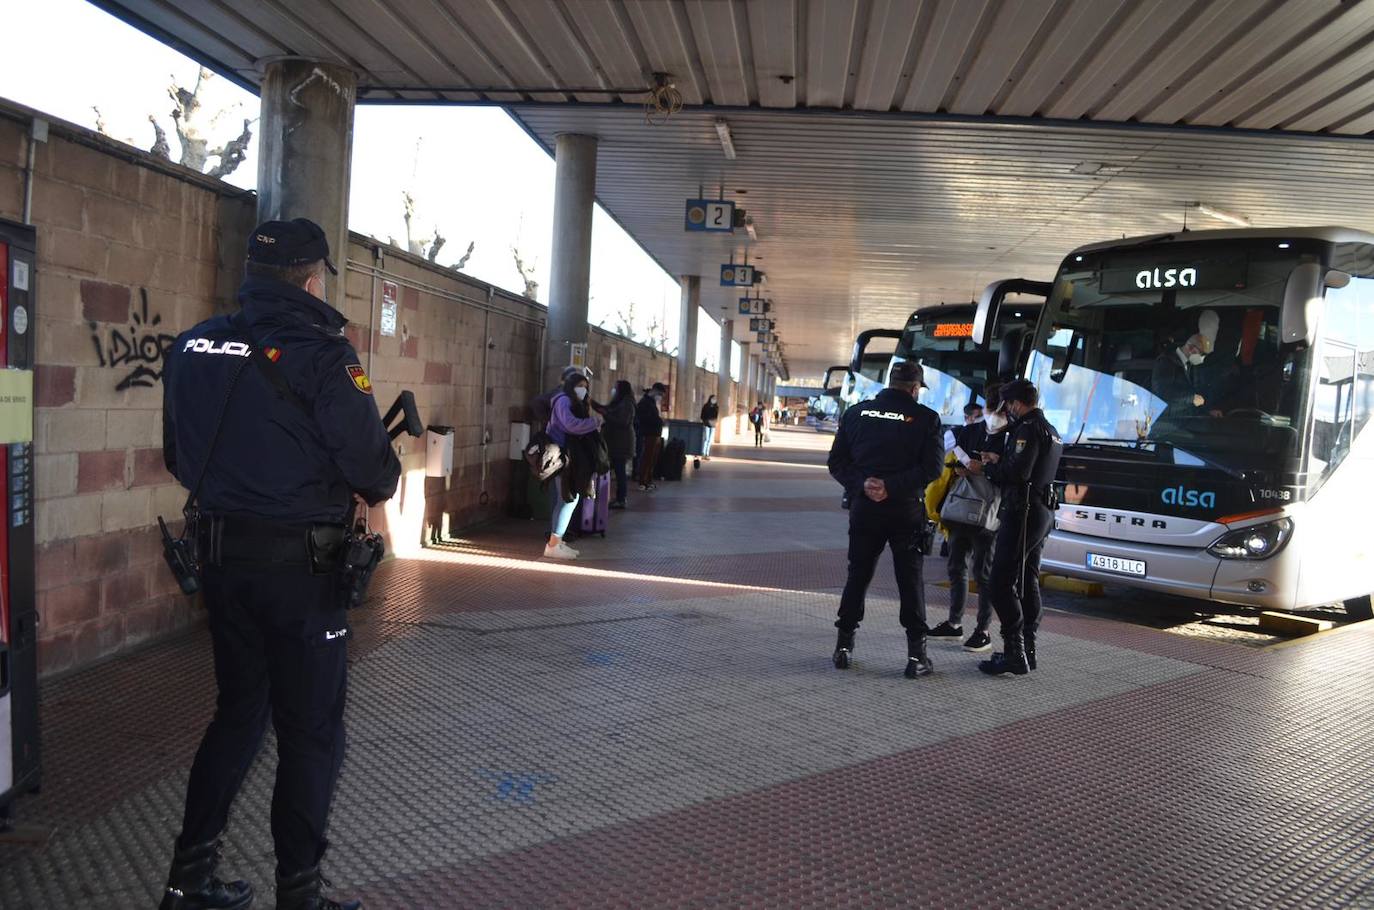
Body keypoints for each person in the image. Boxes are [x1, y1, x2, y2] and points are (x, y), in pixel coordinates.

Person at [160, 218, 401, 910]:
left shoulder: (193, 344)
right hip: (300, 575)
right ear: (313, 276)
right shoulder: (327, 356)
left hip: (220, 564)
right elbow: (375, 474)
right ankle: (298, 895)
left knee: (237, 714)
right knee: (310, 731)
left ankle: (188, 880)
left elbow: (180, 457)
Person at [827, 360, 944, 678]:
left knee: (858, 576)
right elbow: (933, 469)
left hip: (864, 507)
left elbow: (836, 461)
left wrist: (863, 485)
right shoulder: (927, 419)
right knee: (910, 581)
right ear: (915, 388)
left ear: (890, 382)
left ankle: (843, 648)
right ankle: (916, 657)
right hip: (905, 511)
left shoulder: (856, 413)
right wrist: (892, 487)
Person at [964, 379, 1063, 677]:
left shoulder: (1027, 428)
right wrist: (1002, 459)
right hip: (1042, 512)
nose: (1007, 411)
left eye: (1008, 405)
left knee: (1000, 582)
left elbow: (1018, 474)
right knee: (1026, 579)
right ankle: (1027, 651)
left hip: (1023, 512)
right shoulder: (1051, 430)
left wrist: (988, 468)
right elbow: (1030, 467)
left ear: (1017, 403)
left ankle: (1013, 652)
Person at [926, 394, 1003, 652]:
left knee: (983, 573)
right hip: (961, 508)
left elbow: (1015, 471)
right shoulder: (967, 432)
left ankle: (983, 630)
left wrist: (985, 467)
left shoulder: (1012, 435)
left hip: (990, 515)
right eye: (991, 408)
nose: (993, 415)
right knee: (956, 567)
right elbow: (947, 457)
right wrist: (963, 465)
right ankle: (954, 623)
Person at [544, 371, 603, 559]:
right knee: (567, 499)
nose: (583, 390)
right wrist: (594, 422)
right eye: (580, 386)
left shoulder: (568, 401)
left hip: (569, 455)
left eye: (586, 387)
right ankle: (553, 545)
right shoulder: (562, 401)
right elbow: (570, 425)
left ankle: (557, 542)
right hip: (563, 456)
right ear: (571, 386)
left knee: (569, 499)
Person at [602, 380, 636, 509]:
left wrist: (606, 415)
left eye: (615, 388)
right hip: (616, 441)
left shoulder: (627, 404)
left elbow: (623, 422)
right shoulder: (619, 402)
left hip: (622, 443)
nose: (613, 390)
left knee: (620, 471)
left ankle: (621, 499)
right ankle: (617, 497)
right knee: (617, 470)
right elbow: (607, 409)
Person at [635, 383, 667, 490]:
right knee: (646, 459)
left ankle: (648, 480)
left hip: (654, 434)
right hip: (648, 434)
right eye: (660, 394)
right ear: (654, 391)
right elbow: (645, 418)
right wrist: (659, 421)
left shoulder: (651, 402)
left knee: (652, 460)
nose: (660, 397)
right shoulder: (644, 403)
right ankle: (643, 481)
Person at [700, 395, 719, 460]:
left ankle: (707, 454)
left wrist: (714, 422)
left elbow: (716, 416)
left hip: (713, 425)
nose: (714, 400)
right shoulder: (706, 406)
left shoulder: (716, 407)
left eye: (715, 399)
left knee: (710, 440)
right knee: (706, 439)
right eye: (713, 398)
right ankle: (703, 453)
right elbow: (702, 415)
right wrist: (705, 421)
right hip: (706, 424)